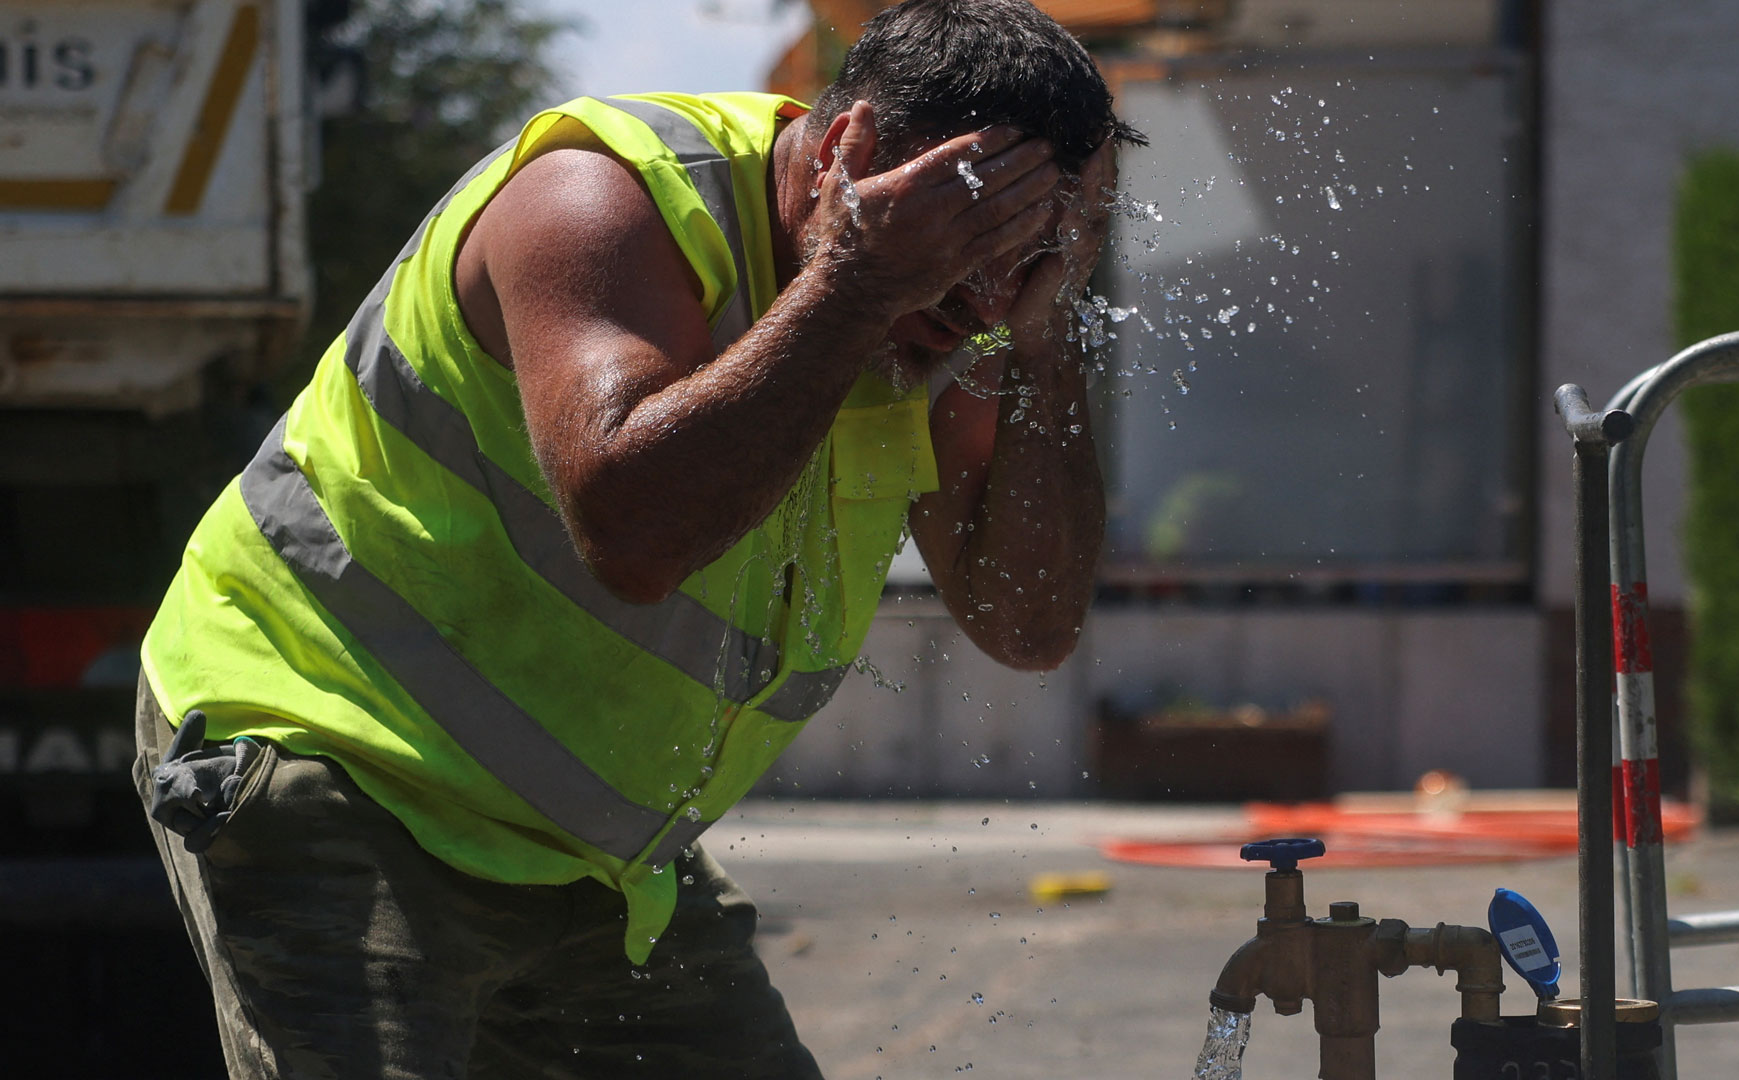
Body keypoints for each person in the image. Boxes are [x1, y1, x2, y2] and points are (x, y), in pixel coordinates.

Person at [131, 1, 1144, 1076]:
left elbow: (1027, 624)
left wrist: (1044, 344)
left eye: (1030, 251)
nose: (986, 293)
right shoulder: (606, 197)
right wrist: (856, 284)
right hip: (332, 755)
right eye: (970, 238)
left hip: (588, 858)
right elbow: (634, 533)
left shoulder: (956, 305)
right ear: (847, 153)